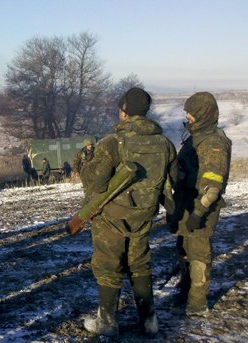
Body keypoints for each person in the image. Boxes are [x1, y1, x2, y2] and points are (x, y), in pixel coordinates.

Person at [70, 87, 177, 337]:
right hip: (144, 216)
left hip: (111, 218)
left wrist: (87, 166)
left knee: (109, 266)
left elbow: (93, 183)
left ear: (124, 112)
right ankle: (149, 321)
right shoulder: (165, 144)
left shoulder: (112, 142)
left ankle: (106, 321)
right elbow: (172, 183)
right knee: (139, 265)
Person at [168, 92, 231, 317]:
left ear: (203, 114)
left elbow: (213, 185)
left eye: (191, 112)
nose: (187, 116)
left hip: (200, 207)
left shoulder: (213, 141)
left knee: (198, 255)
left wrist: (198, 213)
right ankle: (185, 294)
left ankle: (197, 303)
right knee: (184, 251)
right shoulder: (196, 136)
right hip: (186, 202)